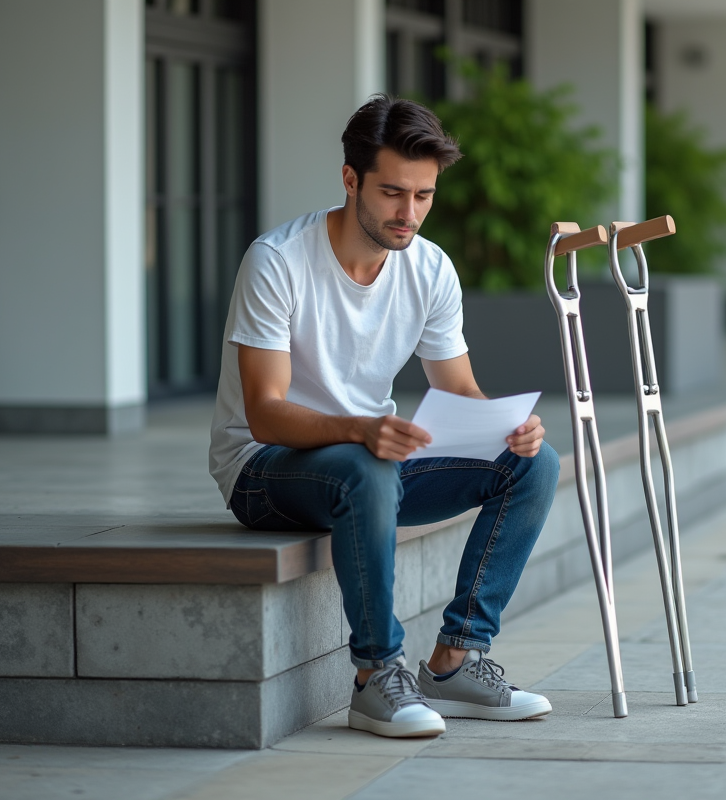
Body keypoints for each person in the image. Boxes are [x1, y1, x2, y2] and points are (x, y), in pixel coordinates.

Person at [209, 95, 560, 739]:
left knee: (533, 464)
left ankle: (456, 660)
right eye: (393, 193)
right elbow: (264, 414)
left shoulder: (429, 267)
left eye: (424, 196)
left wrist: (507, 427)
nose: (410, 214)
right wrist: (360, 429)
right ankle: (376, 675)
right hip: (265, 472)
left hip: (370, 461)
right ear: (351, 180)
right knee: (365, 467)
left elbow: (458, 387)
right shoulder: (277, 261)